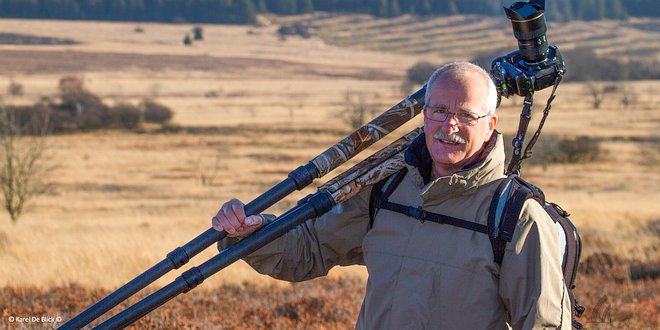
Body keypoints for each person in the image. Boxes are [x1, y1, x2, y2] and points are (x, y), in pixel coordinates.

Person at [212, 62, 572, 329]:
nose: (450, 126)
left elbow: (545, 324)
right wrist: (251, 234)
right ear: (425, 115)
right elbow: (307, 251)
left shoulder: (515, 215)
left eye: (466, 115)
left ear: (490, 124)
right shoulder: (385, 190)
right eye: (440, 111)